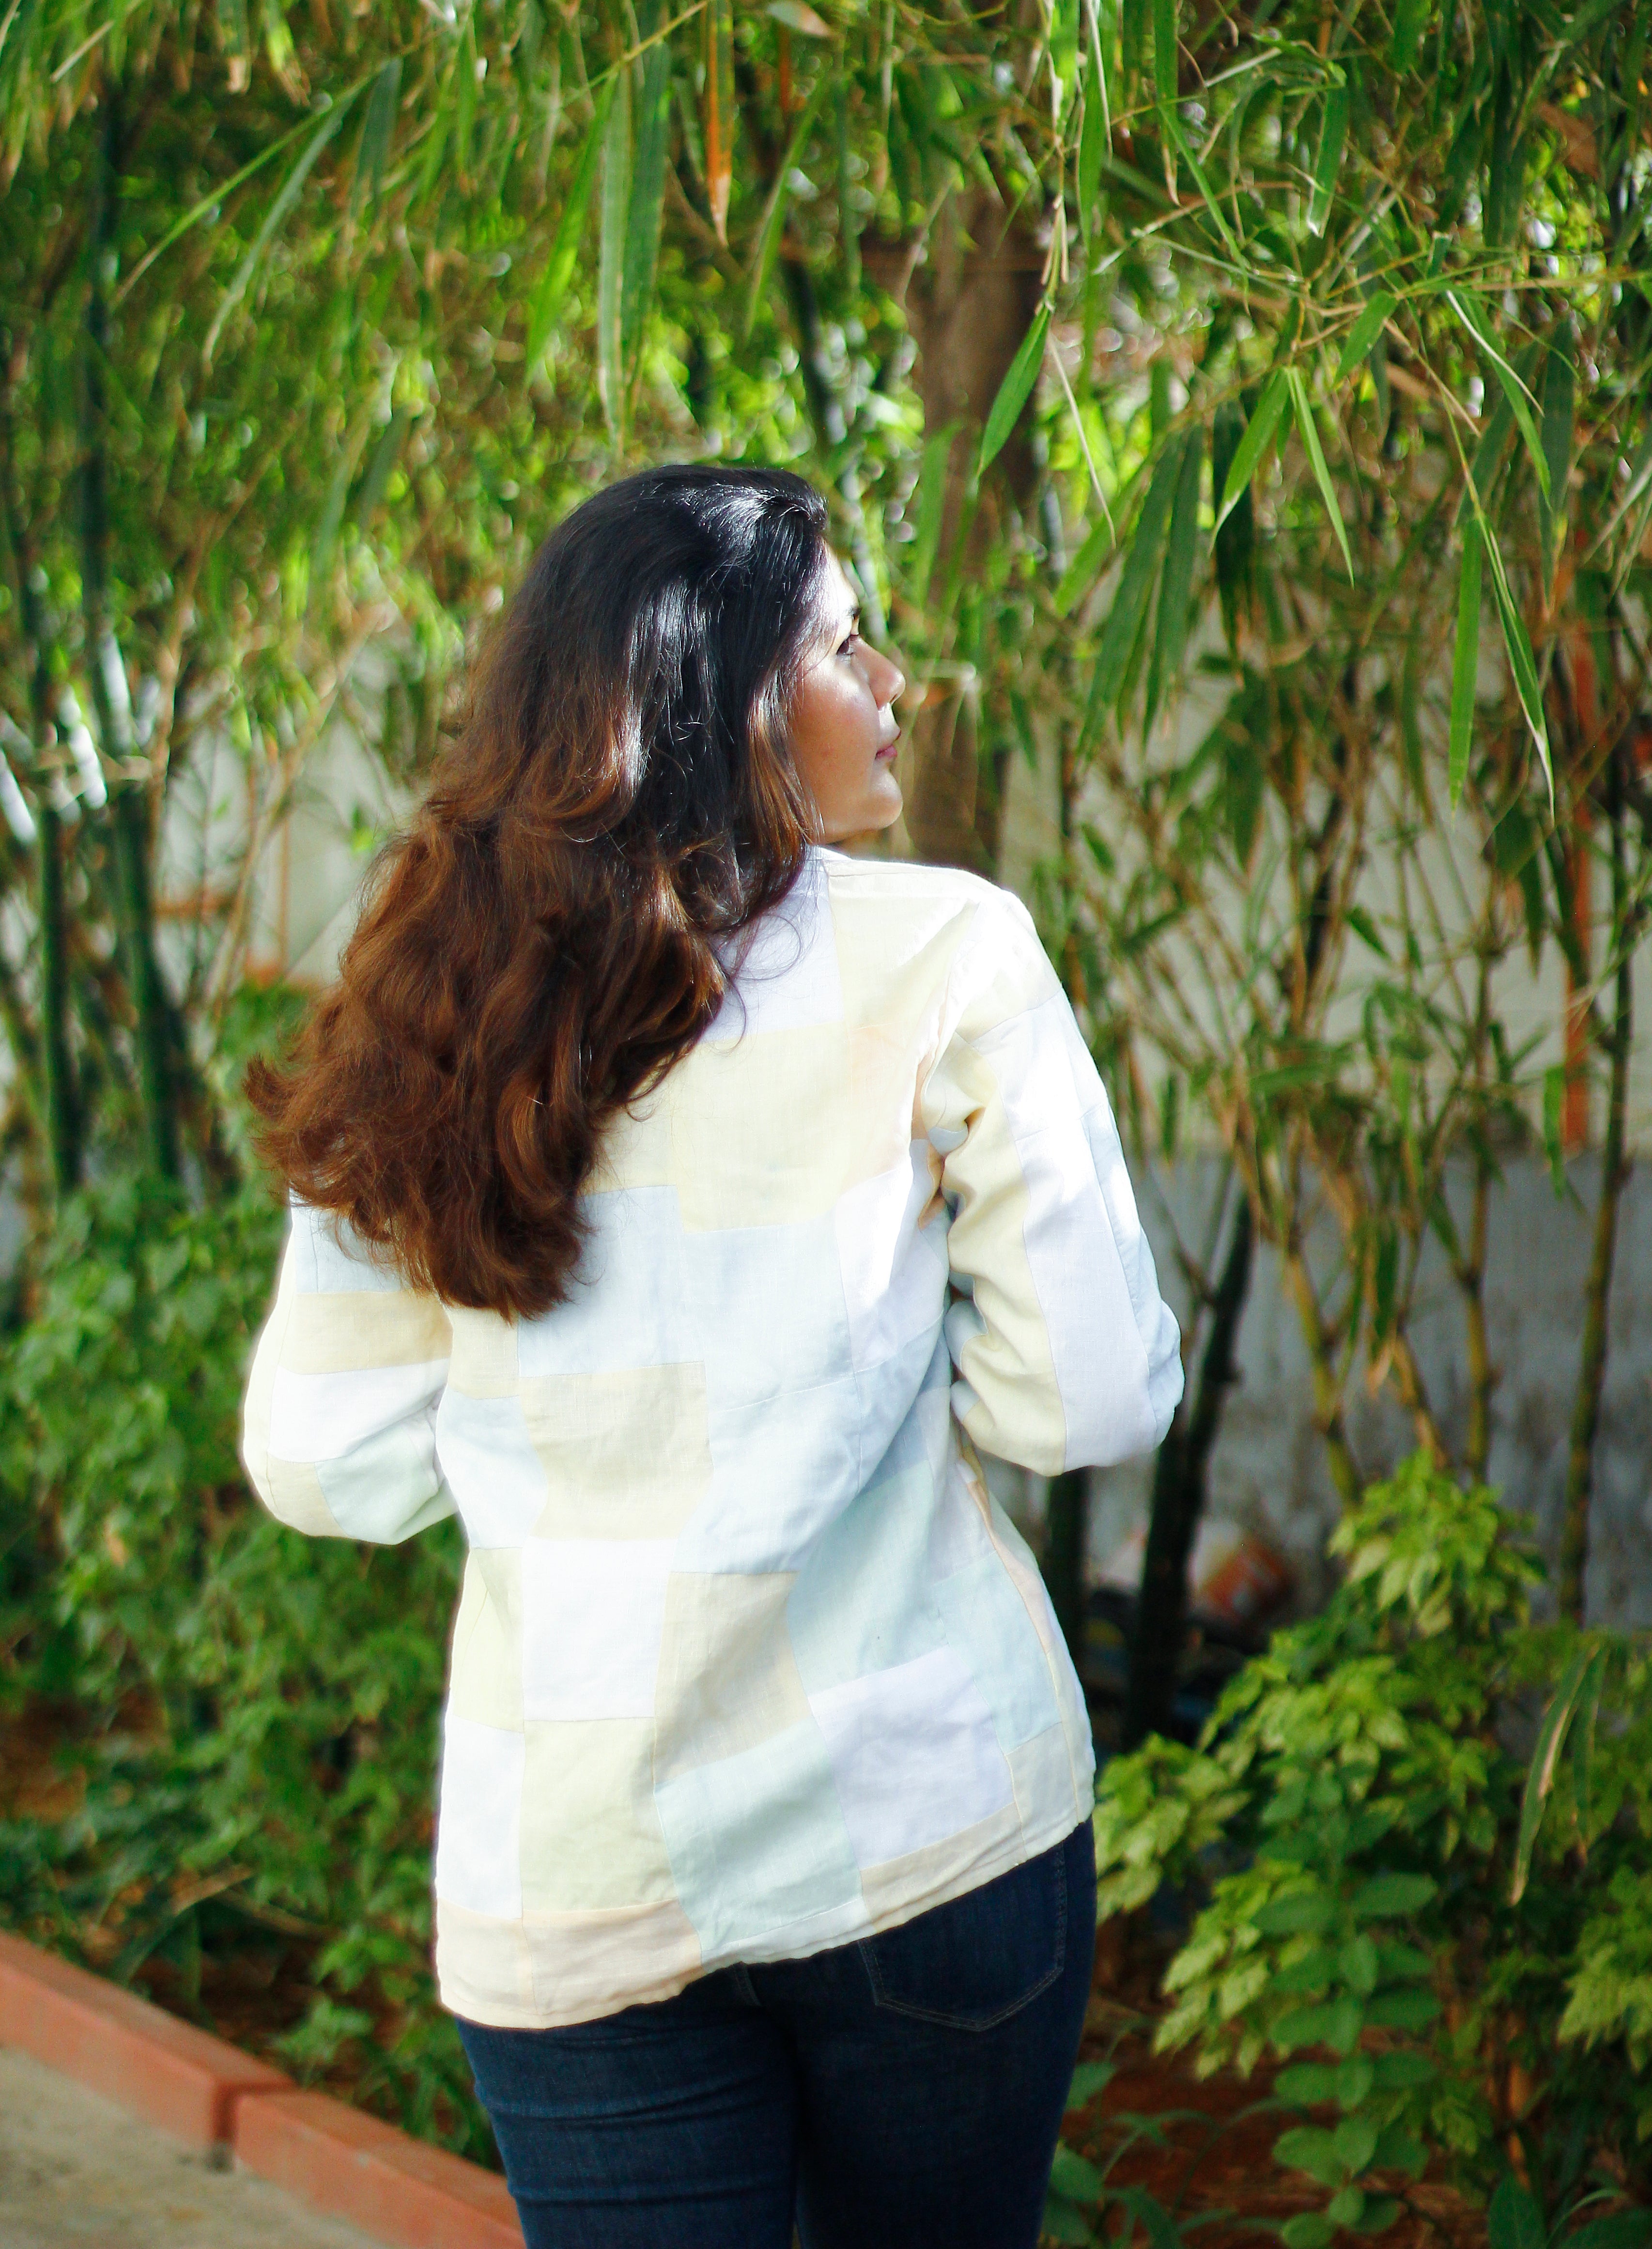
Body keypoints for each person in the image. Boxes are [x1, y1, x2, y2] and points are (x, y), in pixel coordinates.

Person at [241, 464, 1182, 2249]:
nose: (901, 680)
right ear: (722, 699)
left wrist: (579, 1459)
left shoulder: (428, 995)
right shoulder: (946, 950)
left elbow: (325, 1466)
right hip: (928, 1831)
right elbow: (1091, 1402)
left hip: (579, 1877)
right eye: (848, 643)